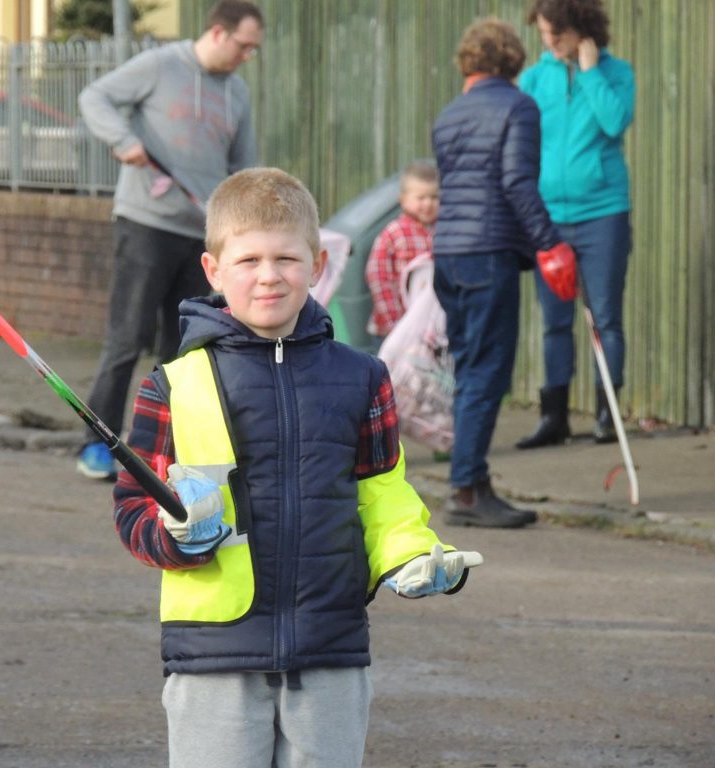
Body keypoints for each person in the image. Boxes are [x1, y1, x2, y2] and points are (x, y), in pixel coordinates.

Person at [113, 167, 483, 768]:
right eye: (248, 260)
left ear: (316, 264)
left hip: (329, 649)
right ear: (213, 270)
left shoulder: (363, 377)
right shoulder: (173, 385)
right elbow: (134, 506)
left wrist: (412, 554)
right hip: (214, 655)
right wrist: (173, 535)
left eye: (286, 258)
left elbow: (381, 492)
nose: (268, 275)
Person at [75, 0, 264, 480]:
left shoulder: (238, 92)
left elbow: (242, 165)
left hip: (199, 235)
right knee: (127, 339)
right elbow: (95, 97)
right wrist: (123, 141)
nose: (247, 56)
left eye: (254, 50)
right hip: (146, 223)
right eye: (244, 46)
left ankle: (161, 452)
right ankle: (97, 444)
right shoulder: (160, 65)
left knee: (184, 351)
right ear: (218, 33)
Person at [431, 17, 577, 528]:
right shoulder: (519, 106)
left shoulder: (448, 115)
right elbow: (517, 182)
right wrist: (550, 243)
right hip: (487, 253)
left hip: (447, 254)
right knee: (486, 372)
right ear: (512, 60)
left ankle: (471, 479)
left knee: (469, 369)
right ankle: (466, 490)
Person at [516, 0, 635, 449]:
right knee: (555, 320)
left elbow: (615, 122)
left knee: (605, 316)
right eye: (544, 33)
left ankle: (607, 416)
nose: (548, 41)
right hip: (548, 218)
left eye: (556, 33)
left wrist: (589, 73)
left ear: (581, 30)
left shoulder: (616, 73)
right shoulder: (534, 79)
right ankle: (555, 417)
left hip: (603, 212)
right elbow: (522, 140)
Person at [365, 160, 440, 347]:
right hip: (395, 328)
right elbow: (378, 276)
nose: (428, 203)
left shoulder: (442, 233)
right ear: (403, 199)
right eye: (421, 198)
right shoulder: (394, 233)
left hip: (430, 330)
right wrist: (395, 322)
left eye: (434, 197)